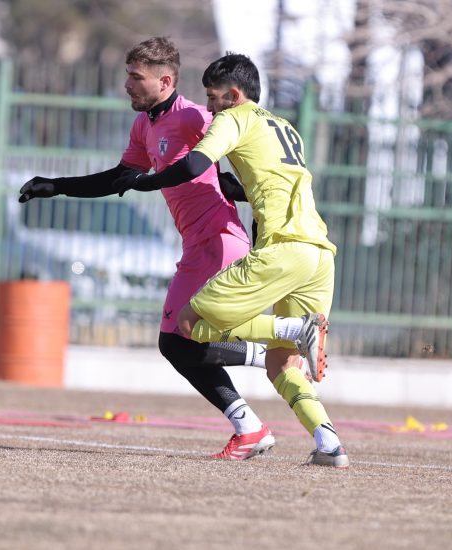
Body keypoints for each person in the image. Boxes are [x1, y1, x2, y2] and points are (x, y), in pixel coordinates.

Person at [18, 37, 276, 461]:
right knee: (176, 345)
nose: (127, 85)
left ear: (165, 81)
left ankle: (272, 354)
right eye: (128, 75)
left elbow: (249, 168)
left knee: (185, 341)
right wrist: (57, 186)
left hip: (220, 240)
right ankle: (250, 424)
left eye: (136, 77)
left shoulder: (196, 116)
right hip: (196, 247)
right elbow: (120, 178)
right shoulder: (145, 126)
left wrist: (248, 202)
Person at [112, 53, 348, 468]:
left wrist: (146, 182)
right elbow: (272, 185)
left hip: (284, 250)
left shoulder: (234, 118)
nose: (209, 107)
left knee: (188, 323)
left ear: (234, 95)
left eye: (213, 97)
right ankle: (328, 443)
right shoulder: (285, 127)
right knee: (282, 364)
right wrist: (236, 192)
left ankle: (296, 329)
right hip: (319, 254)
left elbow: (194, 164)